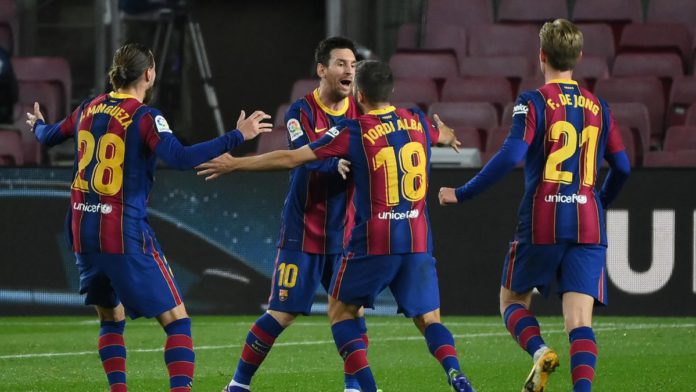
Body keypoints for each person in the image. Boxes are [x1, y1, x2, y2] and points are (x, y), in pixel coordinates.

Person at [197, 60, 475, 392]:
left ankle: (364, 388)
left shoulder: (354, 131)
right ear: (392, 91)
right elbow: (440, 133)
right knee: (429, 320)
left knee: (341, 312)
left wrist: (235, 164)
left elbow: (291, 157)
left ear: (359, 92)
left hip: (372, 240)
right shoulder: (415, 120)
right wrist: (448, 134)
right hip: (416, 239)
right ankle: (455, 373)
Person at [25, 42, 271, 392]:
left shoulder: (88, 107)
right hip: (122, 231)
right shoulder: (144, 117)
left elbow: (49, 136)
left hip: (82, 229)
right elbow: (182, 158)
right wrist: (237, 136)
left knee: (111, 317)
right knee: (177, 322)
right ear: (149, 74)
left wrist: (36, 126)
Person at [438, 19, 631, 392]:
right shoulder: (599, 107)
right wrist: (598, 201)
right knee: (579, 321)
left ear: (541, 55)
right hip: (587, 220)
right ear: (579, 57)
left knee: (512, 301)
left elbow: (511, 157)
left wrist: (462, 193)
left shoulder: (533, 102)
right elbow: (622, 167)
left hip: (544, 219)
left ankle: (540, 350)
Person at [213, 36, 368, 392]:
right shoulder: (300, 111)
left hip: (344, 233)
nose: (349, 71)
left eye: (354, 66)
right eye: (342, 64)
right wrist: (335, 165)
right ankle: (238, 384)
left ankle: (353, 387)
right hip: (304, 230)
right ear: (322, 69)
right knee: (282, 312)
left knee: (352, 311)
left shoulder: (361, 110)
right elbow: (299, 153)